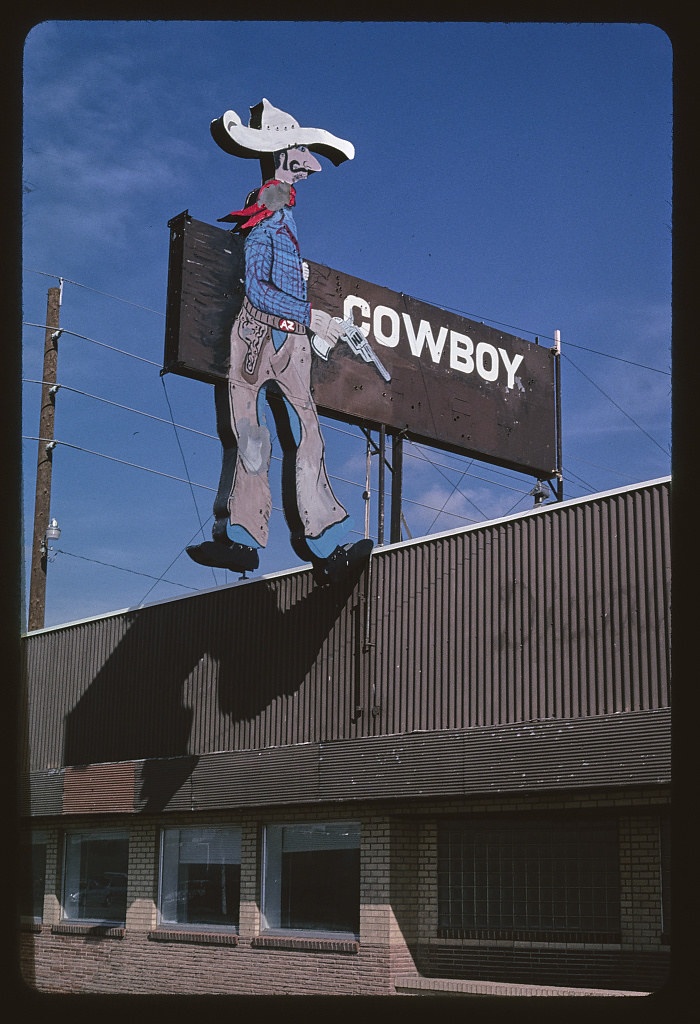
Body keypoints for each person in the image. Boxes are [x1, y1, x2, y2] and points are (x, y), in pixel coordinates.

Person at [186, 99, 372, 585]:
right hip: (257, 335)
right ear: (286, 157)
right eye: (303, 155)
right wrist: (314, 316)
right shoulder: (267, 213)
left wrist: (306, 316)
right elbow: (258, 287)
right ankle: (244, 538)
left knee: (306, 435)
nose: (310, 165)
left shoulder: (283, 216)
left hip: (290, 343)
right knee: (251, 435)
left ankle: (326, 541)